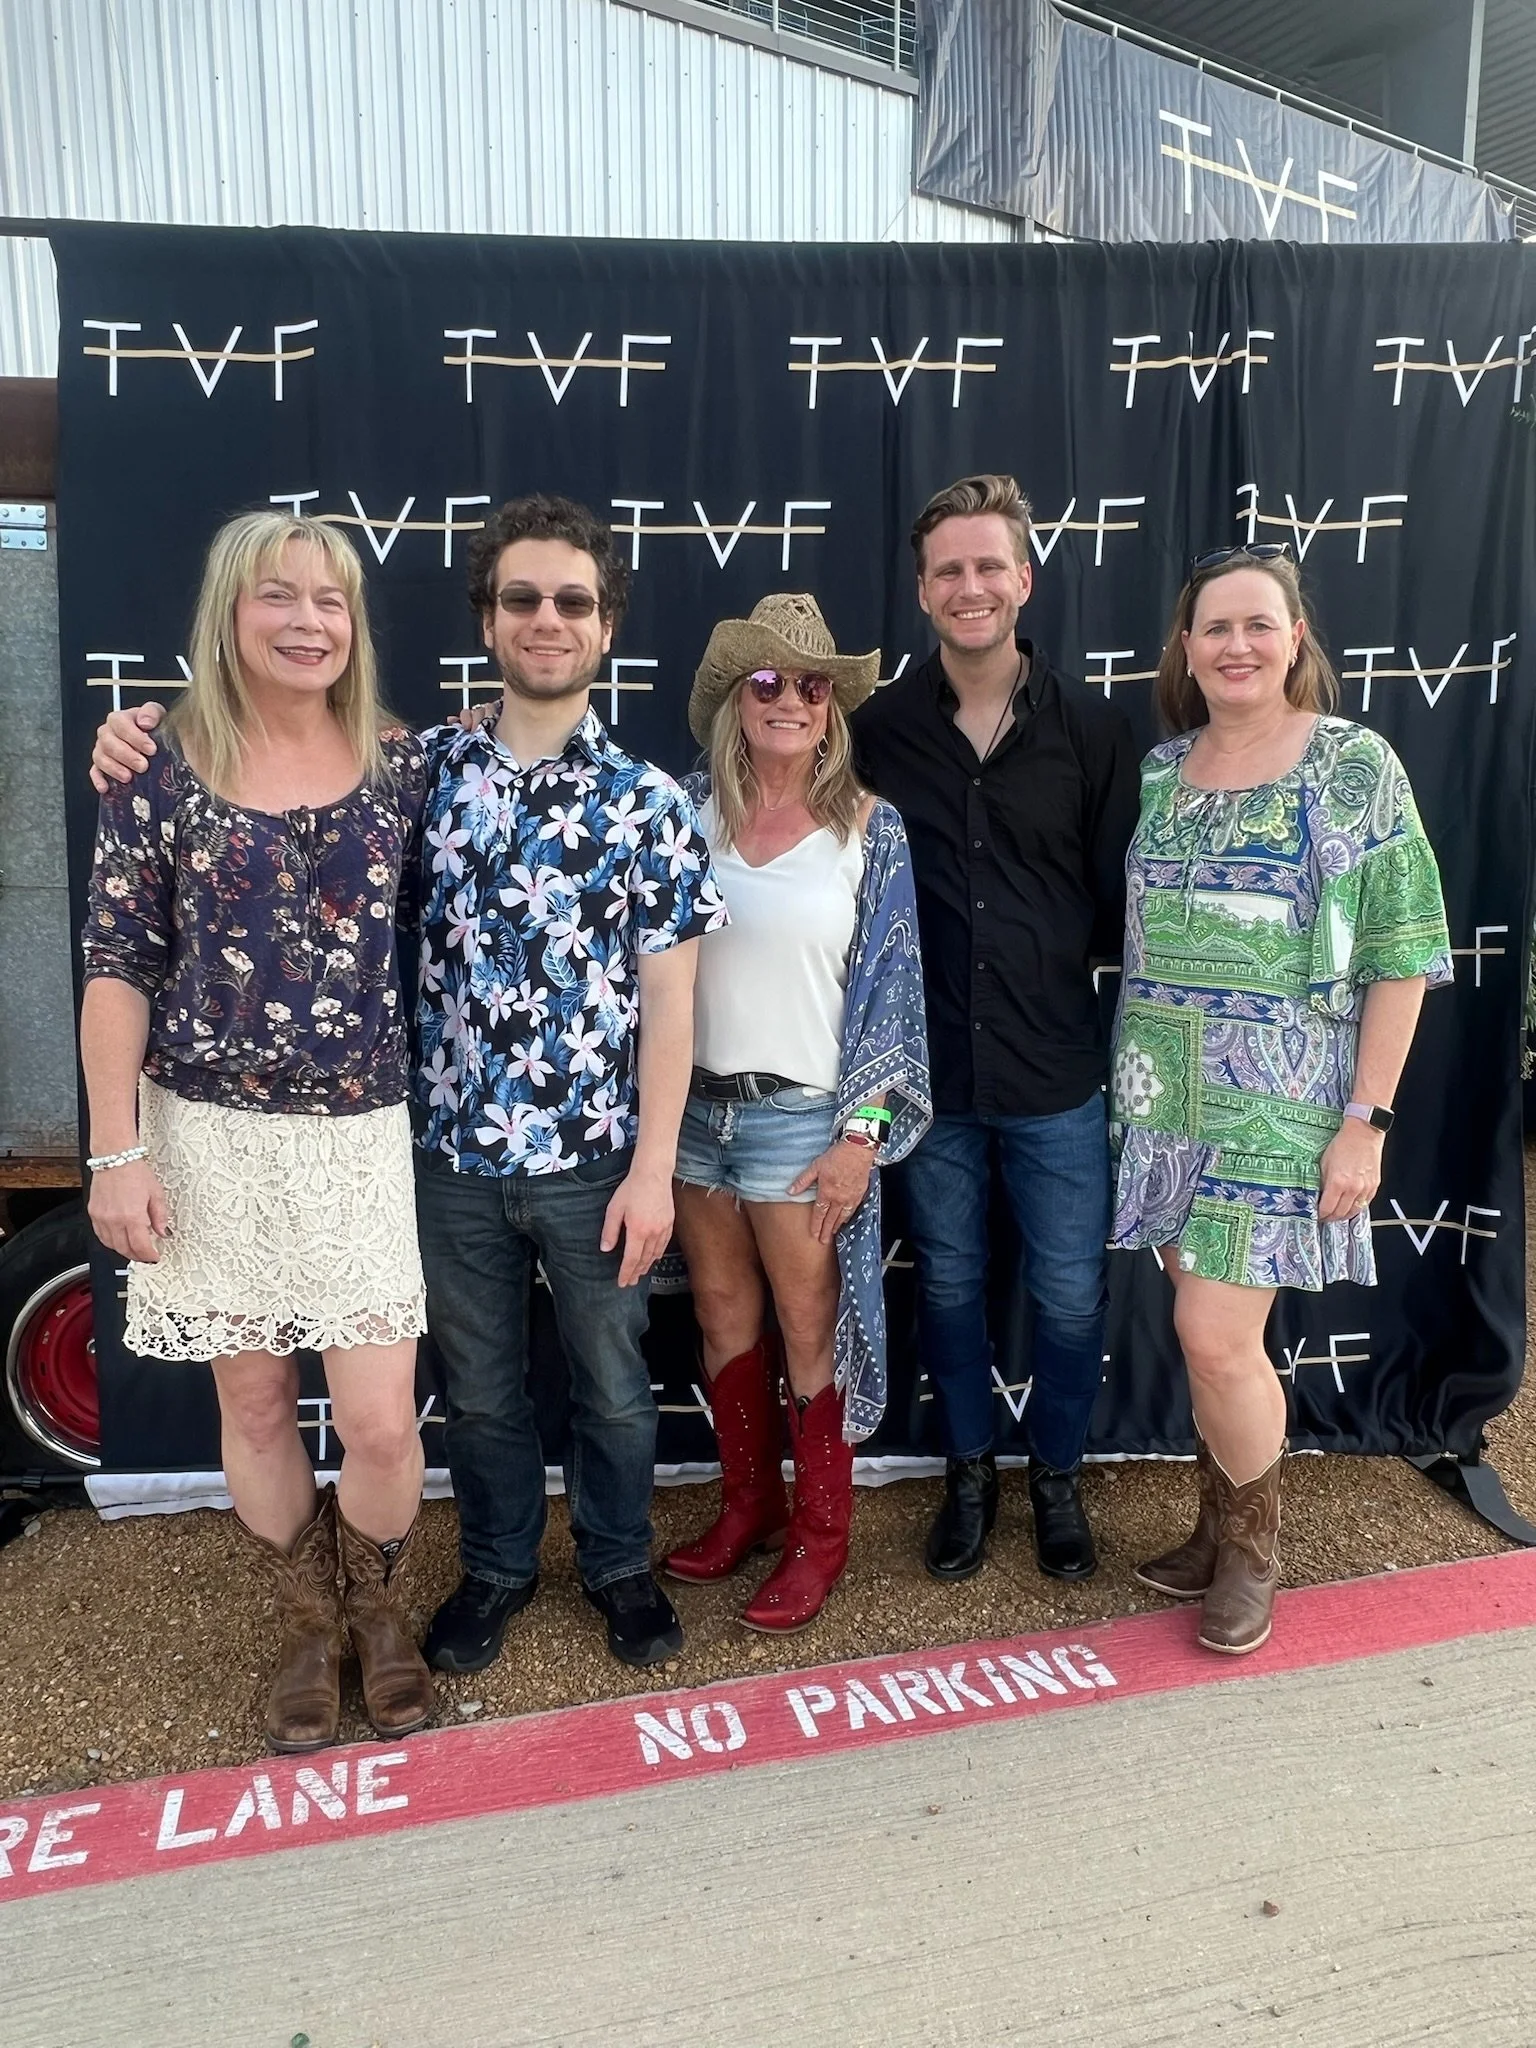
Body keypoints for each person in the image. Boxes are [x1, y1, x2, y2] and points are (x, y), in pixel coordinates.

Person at [91, 494, 724, 1676]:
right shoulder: (417, 769)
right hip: (437, 1155)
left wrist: (654, 1169)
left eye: (573, 601)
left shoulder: (651, 805)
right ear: (486, 619)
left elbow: (675, 1006)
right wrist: (137, 732)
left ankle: (620, 1566)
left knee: (617, 1390)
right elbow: (269, 777)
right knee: (478, 1398)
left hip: (594, 1157)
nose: (548, 619)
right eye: (523, 597)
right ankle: (493, 1570)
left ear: (607, 627)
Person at [81, 510, 434, 1754]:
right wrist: (115, 1148)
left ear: (355, 623)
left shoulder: (404, 764)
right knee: (255, 1402)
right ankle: (307, 1622)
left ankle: (377, 1608)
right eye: (276, 596)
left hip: (355, 1137)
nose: (306, 621)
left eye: (329, 601)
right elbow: (118, 961)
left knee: (384, 1419)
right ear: (229, 614)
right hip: (208, 1132)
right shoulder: (160, 765)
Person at [1109, 544, 1451, 1655]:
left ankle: (1253, 1549)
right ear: (1187, 646)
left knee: (1214, 1334)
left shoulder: (1355, 765)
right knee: (1199, 1329)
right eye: (1216, 627)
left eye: (1260, 623)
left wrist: (1368, 1118)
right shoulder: (1160, 772)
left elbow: (1402, 953)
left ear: (1295, 637)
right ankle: (1216, 1527)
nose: (1237, 644)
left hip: (1284, 1102)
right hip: (1164, 1097)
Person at [851, 475, 1140, 1585]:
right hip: (930, 1079)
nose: (970, 587)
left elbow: (1123, 911)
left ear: (1024, 579)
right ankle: (970, 1474)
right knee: (953, 1286)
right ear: (922, 592)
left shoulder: (1096, 731)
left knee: (1071, 1291)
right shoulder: (875, 733)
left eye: (989, 567)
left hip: (1061, 1073)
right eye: (948, 571)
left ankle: (1056, 1477)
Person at [663, 595, 930, 1630]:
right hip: (692, 1115)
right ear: (737, 696)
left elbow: (895, 992)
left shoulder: (871, 828)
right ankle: (750, 1511)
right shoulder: (682, 815)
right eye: (766, 679)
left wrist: (861, 1135)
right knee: (723, 1318)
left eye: (810, 683)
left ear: (832, 709)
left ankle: (821, 1540)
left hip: (801, 1119)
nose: (788, 698)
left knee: (810, 1329)